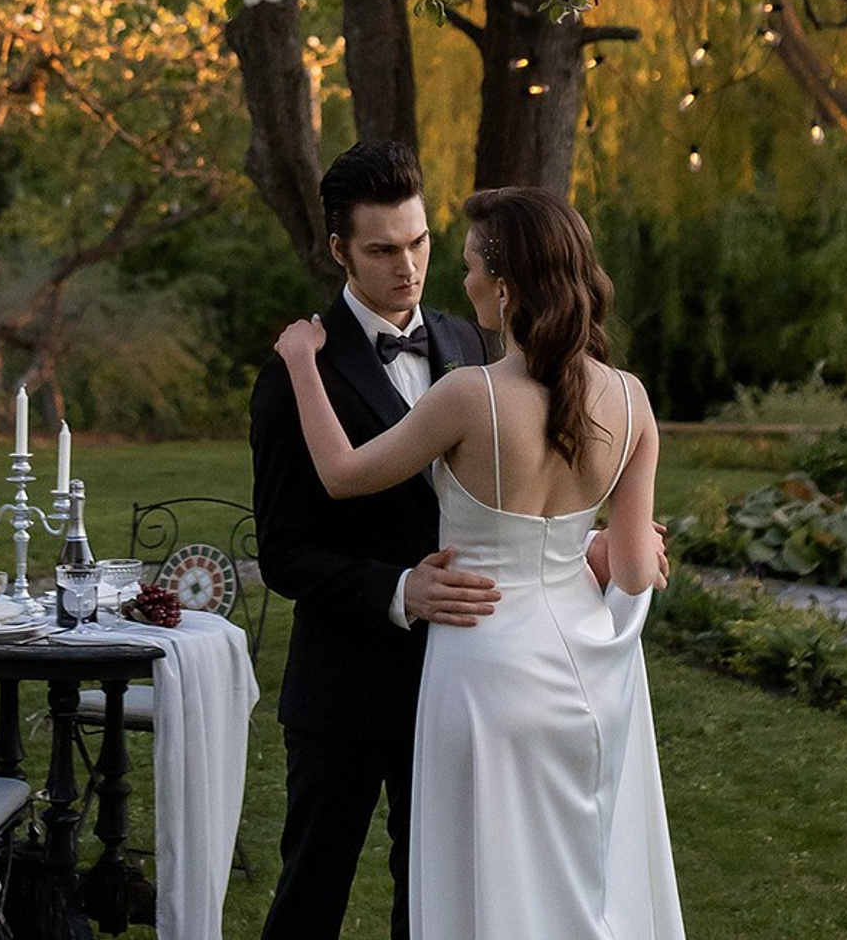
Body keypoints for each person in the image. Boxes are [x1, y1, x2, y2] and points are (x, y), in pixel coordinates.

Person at [274, 185, 685, 940]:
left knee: (483, 879)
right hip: (584, 675)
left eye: (464, 265)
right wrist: (597, 548)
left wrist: (302, 363)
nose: (456, 282)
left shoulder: (470, 396)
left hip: (485, 666)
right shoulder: (632, 399)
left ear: (505, 285)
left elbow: (339, 473)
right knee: (572, 879)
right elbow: (630, 571)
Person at [248, 141, 496, 940]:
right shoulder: (296, 370)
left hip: (459, 677)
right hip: (343, 689)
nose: (409, 266)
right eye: (383, 250)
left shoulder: (467, 342)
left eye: (420, 242)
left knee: (431, 900)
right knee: (310, 897)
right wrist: (397, 591)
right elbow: (283, 551)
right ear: (338, 250)